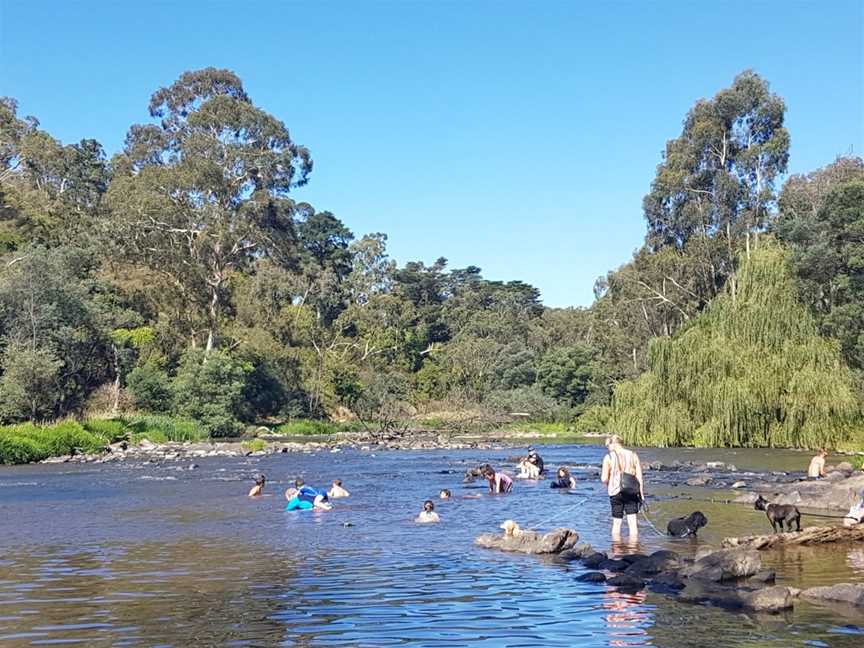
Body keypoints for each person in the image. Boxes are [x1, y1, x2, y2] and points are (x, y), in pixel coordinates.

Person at [600, 434, 644, 542]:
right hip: (632, 491)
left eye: (608, 445)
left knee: (616, 522)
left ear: (614, 444)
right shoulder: (633, 455)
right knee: (633, 523)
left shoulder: (608, 457)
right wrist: (641, 494)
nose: (608, 448)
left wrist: (607, 482)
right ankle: (633, 550)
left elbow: (604, 478)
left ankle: (616, 550)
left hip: (615, 492)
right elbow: (639, 477)